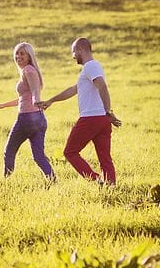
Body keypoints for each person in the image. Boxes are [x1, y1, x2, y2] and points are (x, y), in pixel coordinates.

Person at [36, 37, 122, 184]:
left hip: (90, 118)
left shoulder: (90, 67)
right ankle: (110, 186)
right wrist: (51, 101)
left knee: (70, 152)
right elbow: (73, 90)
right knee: (104, 157)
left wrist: (108, 111)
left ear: (81, 50)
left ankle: (96, 181)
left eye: (73, 52)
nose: (73, 56)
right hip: (101, 119)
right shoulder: (91, 69)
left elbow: (102, 86)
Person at [0, 42, 55, 180]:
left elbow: (34, 91)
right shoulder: (30, 70)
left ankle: (6, 181)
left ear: (29, 56)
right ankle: (52, 180)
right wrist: (2, 105)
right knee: (38, 156)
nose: (18, 56)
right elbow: (23, 98)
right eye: (17, 53)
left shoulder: (28, 70)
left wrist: (37, 99)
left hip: (27, 119)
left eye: (22, 53)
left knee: (9, 151)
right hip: (39, 119)